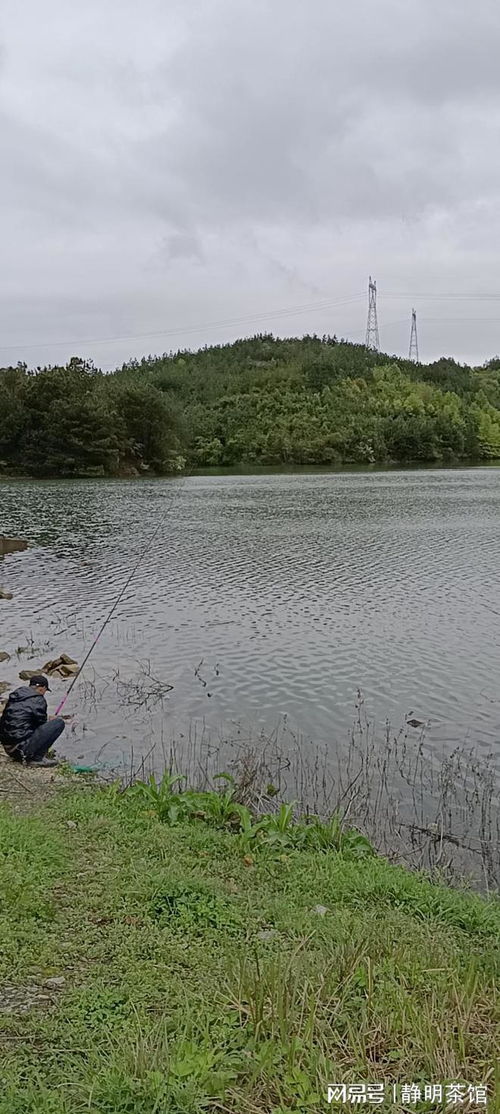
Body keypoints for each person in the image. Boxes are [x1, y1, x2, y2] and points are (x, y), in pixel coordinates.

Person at [0, 675, 65, 767]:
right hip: (21, 750)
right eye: (45, 691)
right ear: (42, 688)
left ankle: (30, 755)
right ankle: (36, 759)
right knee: (59, 723)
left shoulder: (17, 696)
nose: (44, 693)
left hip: (8, 748)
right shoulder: (38, 699)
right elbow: (41, 725)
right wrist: (50, 721)